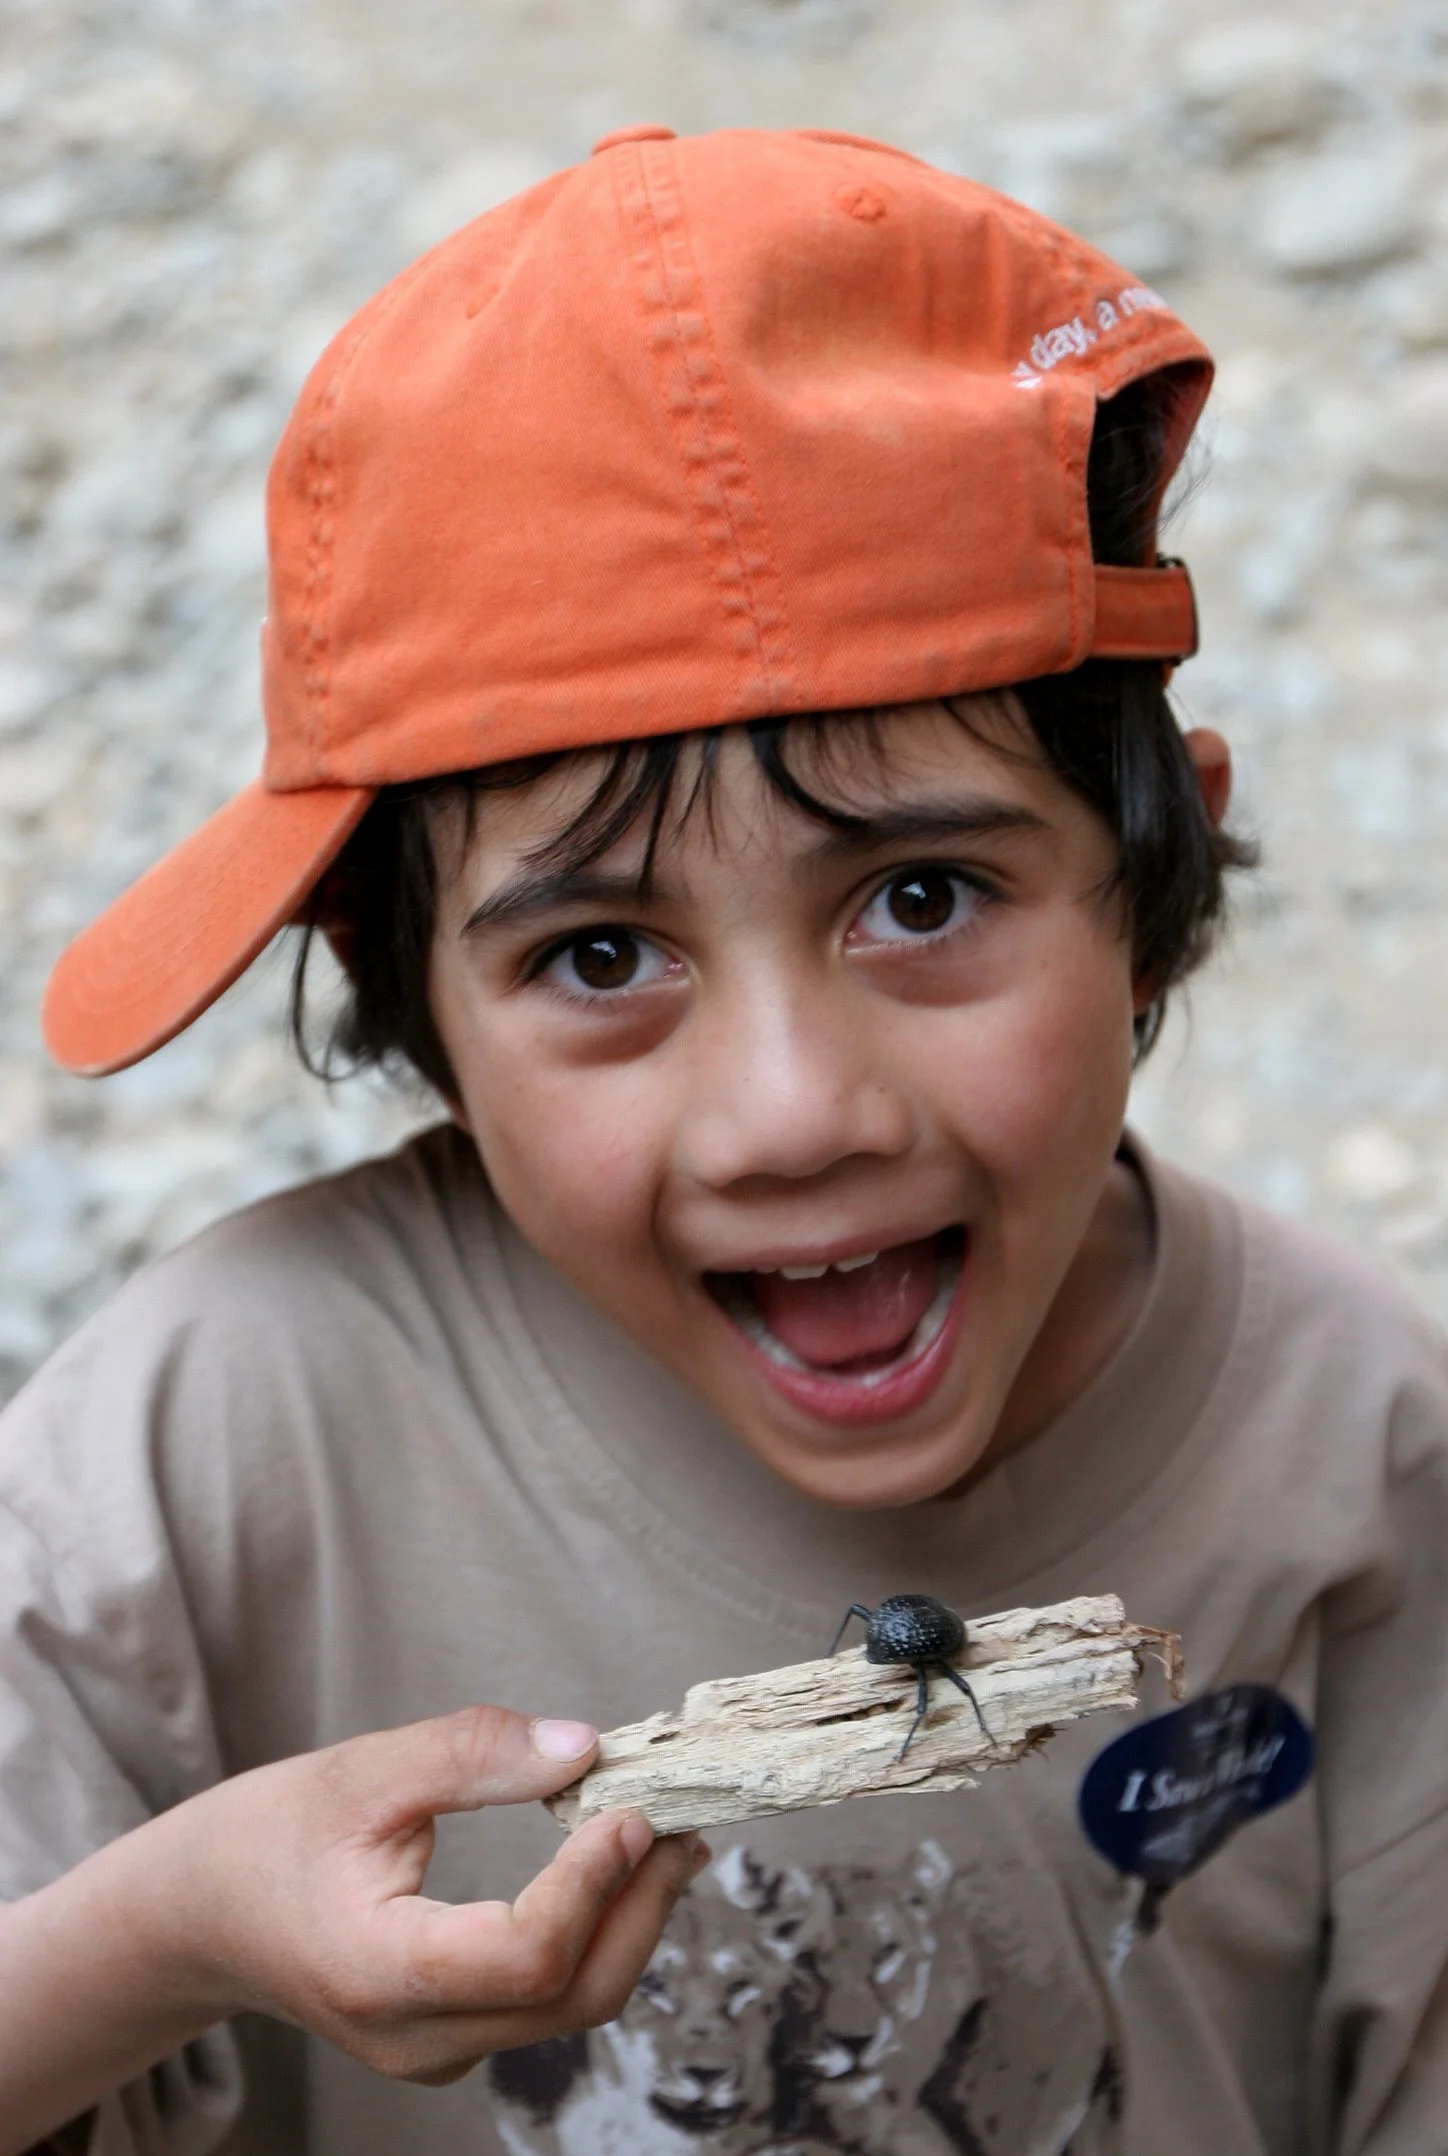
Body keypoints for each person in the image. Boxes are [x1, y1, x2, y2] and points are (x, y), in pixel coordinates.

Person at [2, 123, 1446, 2156]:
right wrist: (161, 1935)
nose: (791, 1113)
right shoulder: (201, 1454)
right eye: (602, 951)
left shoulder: (1352, 1436)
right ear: (405, 990)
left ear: (1157, 869)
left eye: (920, 898)